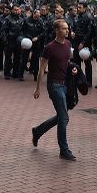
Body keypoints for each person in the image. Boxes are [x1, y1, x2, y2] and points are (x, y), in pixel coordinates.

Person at [31, 19, 78, 161]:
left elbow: (67, 62)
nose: (67, 31)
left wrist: (73, 68)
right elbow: (42, 69)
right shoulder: (49, 47)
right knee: (64, 117)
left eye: (67, 28)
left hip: (65, 84)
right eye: (64, 28)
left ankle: (37, 131)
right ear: (56, 30)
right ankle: (64, 150)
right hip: (54, 85)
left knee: (61, 116)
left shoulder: (68, 44)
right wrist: (37, 88)